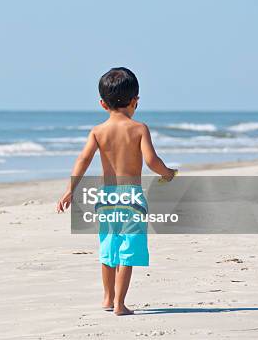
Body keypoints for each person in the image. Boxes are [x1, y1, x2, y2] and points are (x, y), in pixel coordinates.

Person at [56, 67, 176, 316]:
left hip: (107, 197)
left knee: (109, 247)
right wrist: (167, 173)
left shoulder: (98, 131)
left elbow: (83, 160)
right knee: (128, 250)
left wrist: (70, 189)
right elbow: (152, 161)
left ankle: (107, 298)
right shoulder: (139, 128)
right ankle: (120, 305)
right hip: (131, 197)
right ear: (135, 101)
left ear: (102, 103)